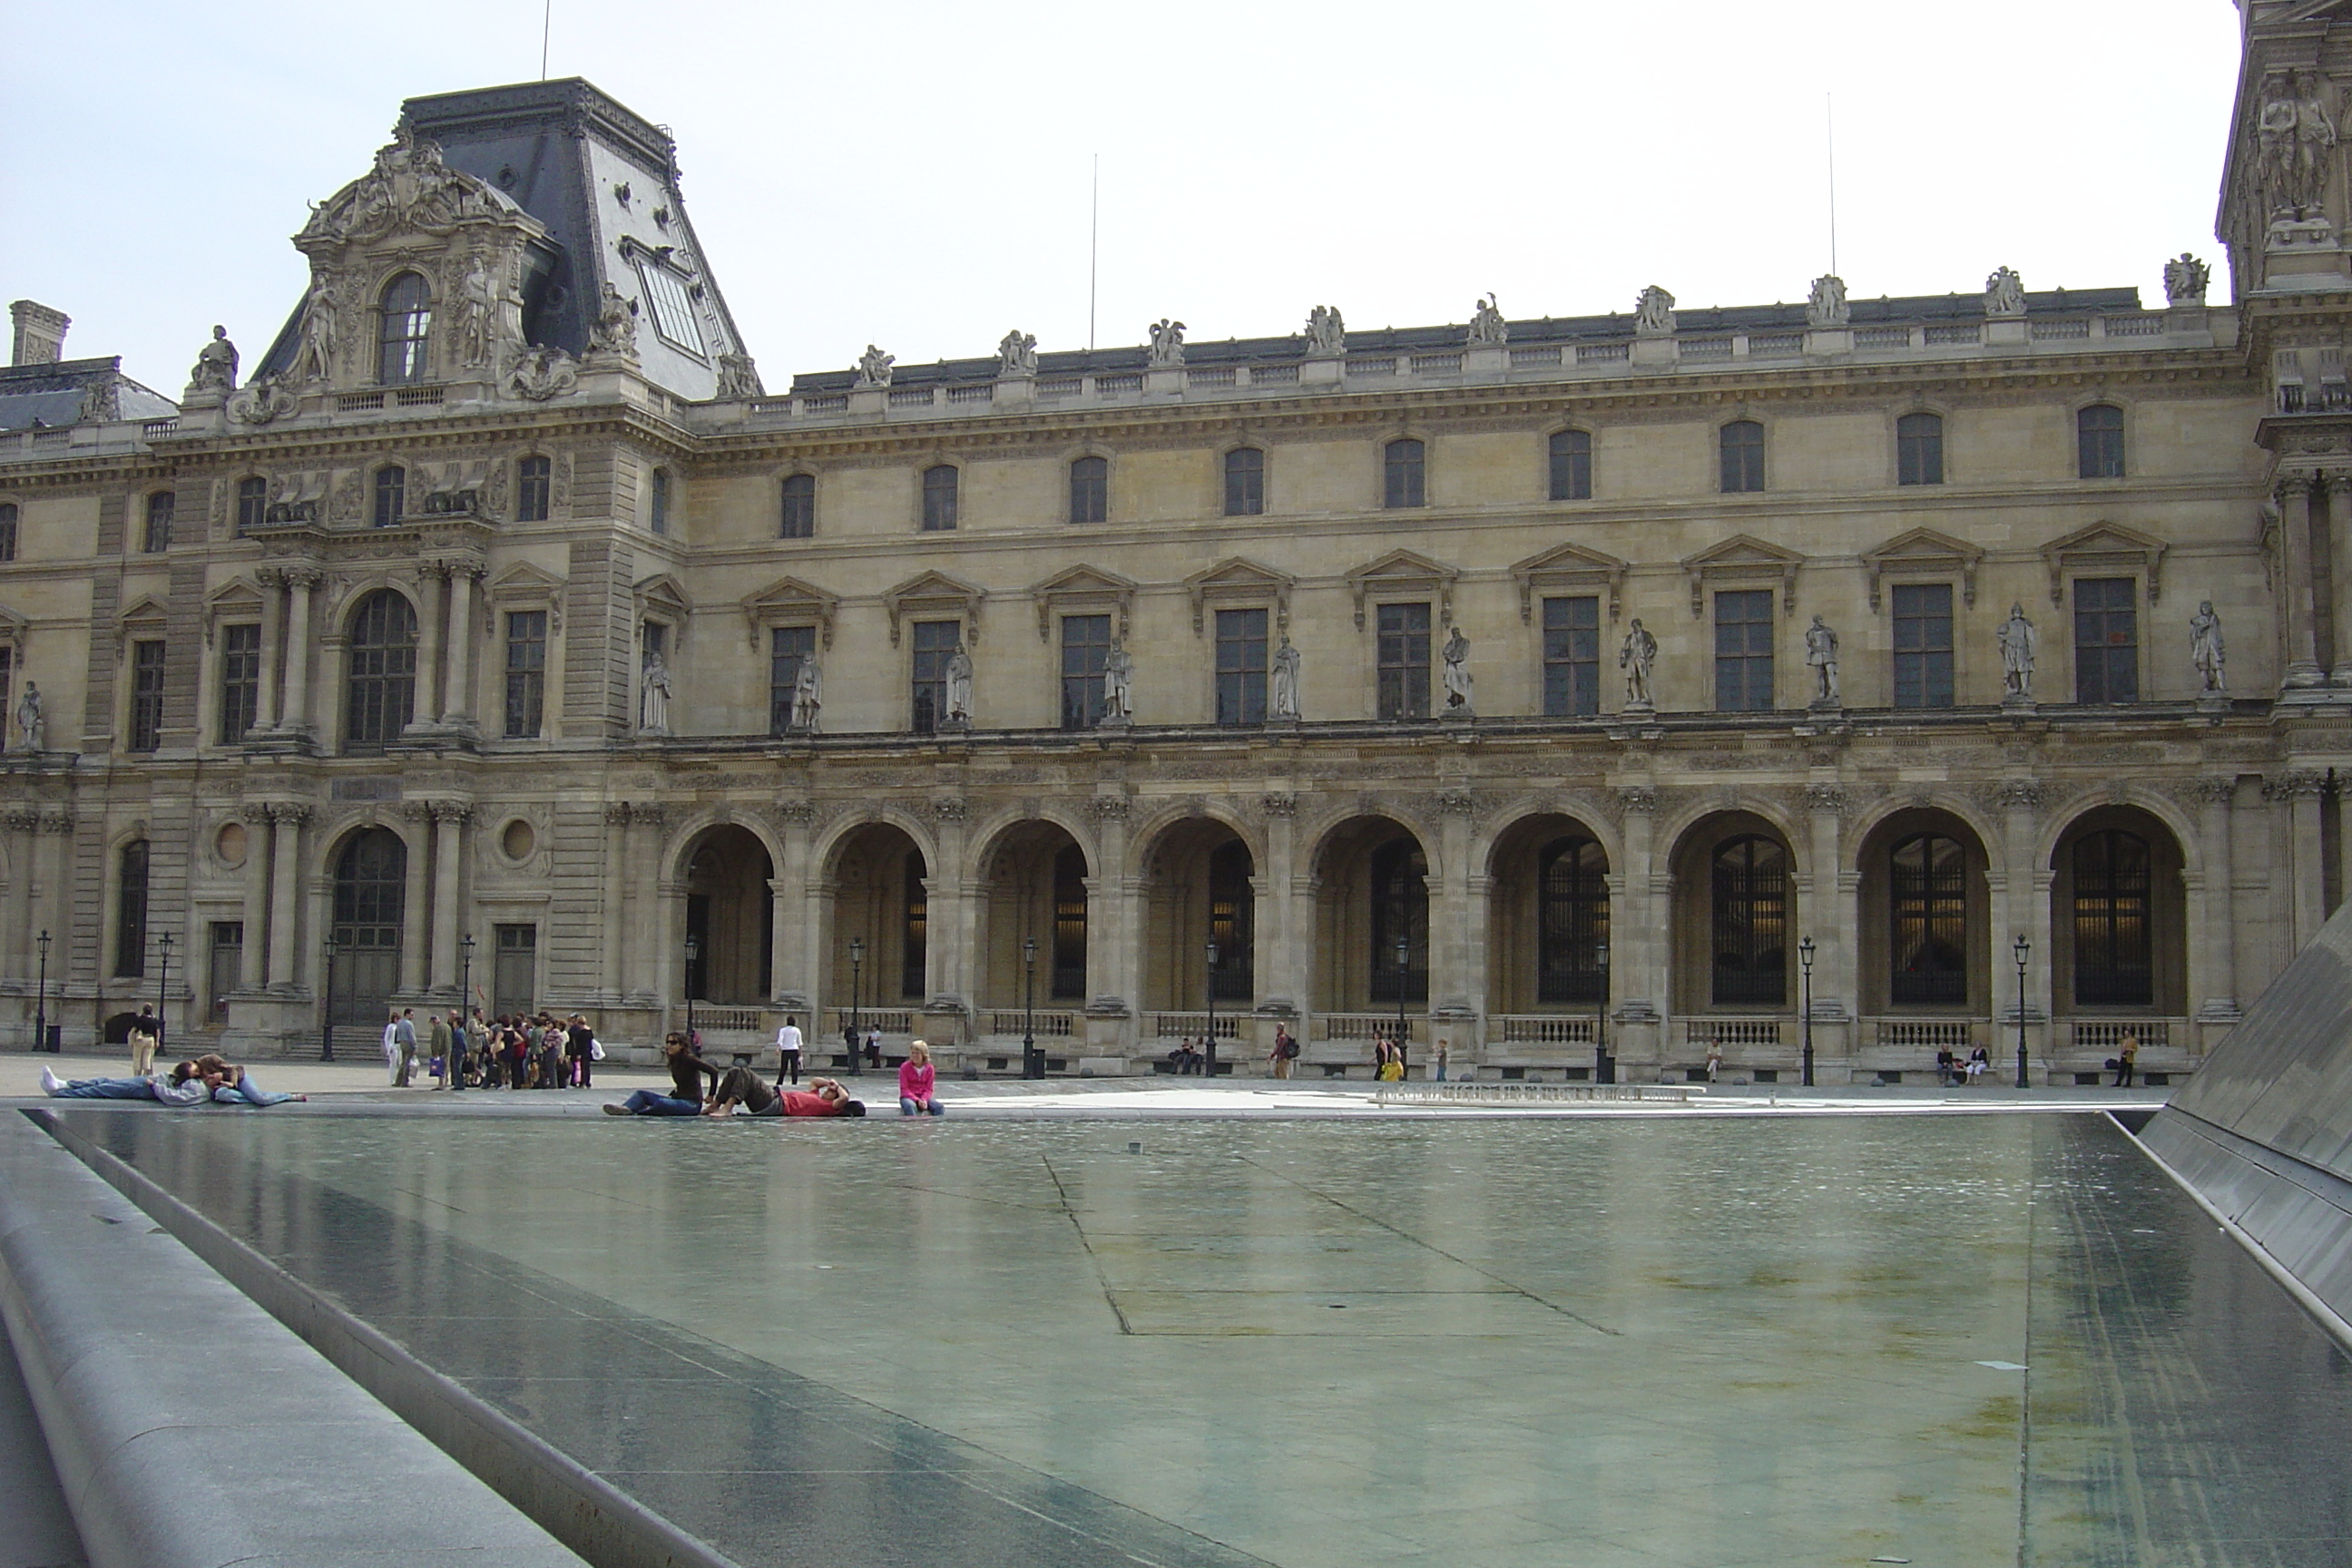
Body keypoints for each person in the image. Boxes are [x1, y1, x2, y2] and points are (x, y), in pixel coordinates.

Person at [604, 1031, 723, 1115]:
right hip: (678, 1100)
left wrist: (711, 1095)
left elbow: (714, 1071)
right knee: (641, 1094)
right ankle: (626, 1108)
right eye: (668, 1042)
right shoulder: (674, 1060)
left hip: (691, 1105)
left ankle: (638, 1111)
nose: (669, 1046)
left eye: (673, 1043)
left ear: (682, 1046)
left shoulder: (689, 1059)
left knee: (661, 1103)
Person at [898, 1040, 944, 1116]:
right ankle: (912, 1125)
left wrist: (924, 1099)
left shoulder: (930, 1068)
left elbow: (929, 1089)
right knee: (910, 1106)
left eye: (917, 1053)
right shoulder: (904, 1067)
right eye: (912, 1053)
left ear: (923, 1055)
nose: (914, 1056)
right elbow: (904, 1089)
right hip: (909, 1097)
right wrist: (917, 1100)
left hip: (924, 1097)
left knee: (939, 1107)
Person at [128, 1005, 161, 1076]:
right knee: (147, 1058)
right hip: (150, 1039)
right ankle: (146, 1074)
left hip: (141, 1039)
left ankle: (137, 1074)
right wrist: (157, 1041)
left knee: (137, 1057)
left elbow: (134, 1030)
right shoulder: (154, 1020)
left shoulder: (140, 1019)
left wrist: (131, 1040)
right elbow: (157, 1031)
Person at [565, 1014, 596, 1088]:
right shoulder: (589, 1031)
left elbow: (579, 1044)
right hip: (588, 1051)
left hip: (582, 1052)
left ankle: (583, 1082)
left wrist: (578, 1053)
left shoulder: (581, 1032)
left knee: (582, 1067)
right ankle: (587, 1082)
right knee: (587, 1068)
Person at [391, 1008, 419, 1087]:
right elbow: (412, 1036)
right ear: (407, 1014)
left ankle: (398, 1081)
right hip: (408, 1043)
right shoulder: (409, 1024)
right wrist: (415, 1046)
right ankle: (404, 1082)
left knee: (403, 1062)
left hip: (402, 1042)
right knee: (407, 1063)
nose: (413, 1016)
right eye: (411, 1014)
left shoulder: (400, 1023)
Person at [774, 1014, 804, 1086]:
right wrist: (801, 1053)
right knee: (794, 1067)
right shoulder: (797, 1030)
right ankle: (794, 1082)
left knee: (784, 1067)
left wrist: (778, 1048)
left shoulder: (783, 1030)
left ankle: (780, 1082)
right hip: (794, 1049)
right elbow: (799, 1042)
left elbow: (780, 1040)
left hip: (785, 1050)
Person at [427, 1010, 454, 1089]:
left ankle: (441, 1083)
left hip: (441, 1050)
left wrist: (435, 1052)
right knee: (446, 1066)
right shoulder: (447, 1026)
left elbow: (437, 1041)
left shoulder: (437, 1028)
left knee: (440, 1066)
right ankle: (446, 1081)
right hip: (448, 1048)